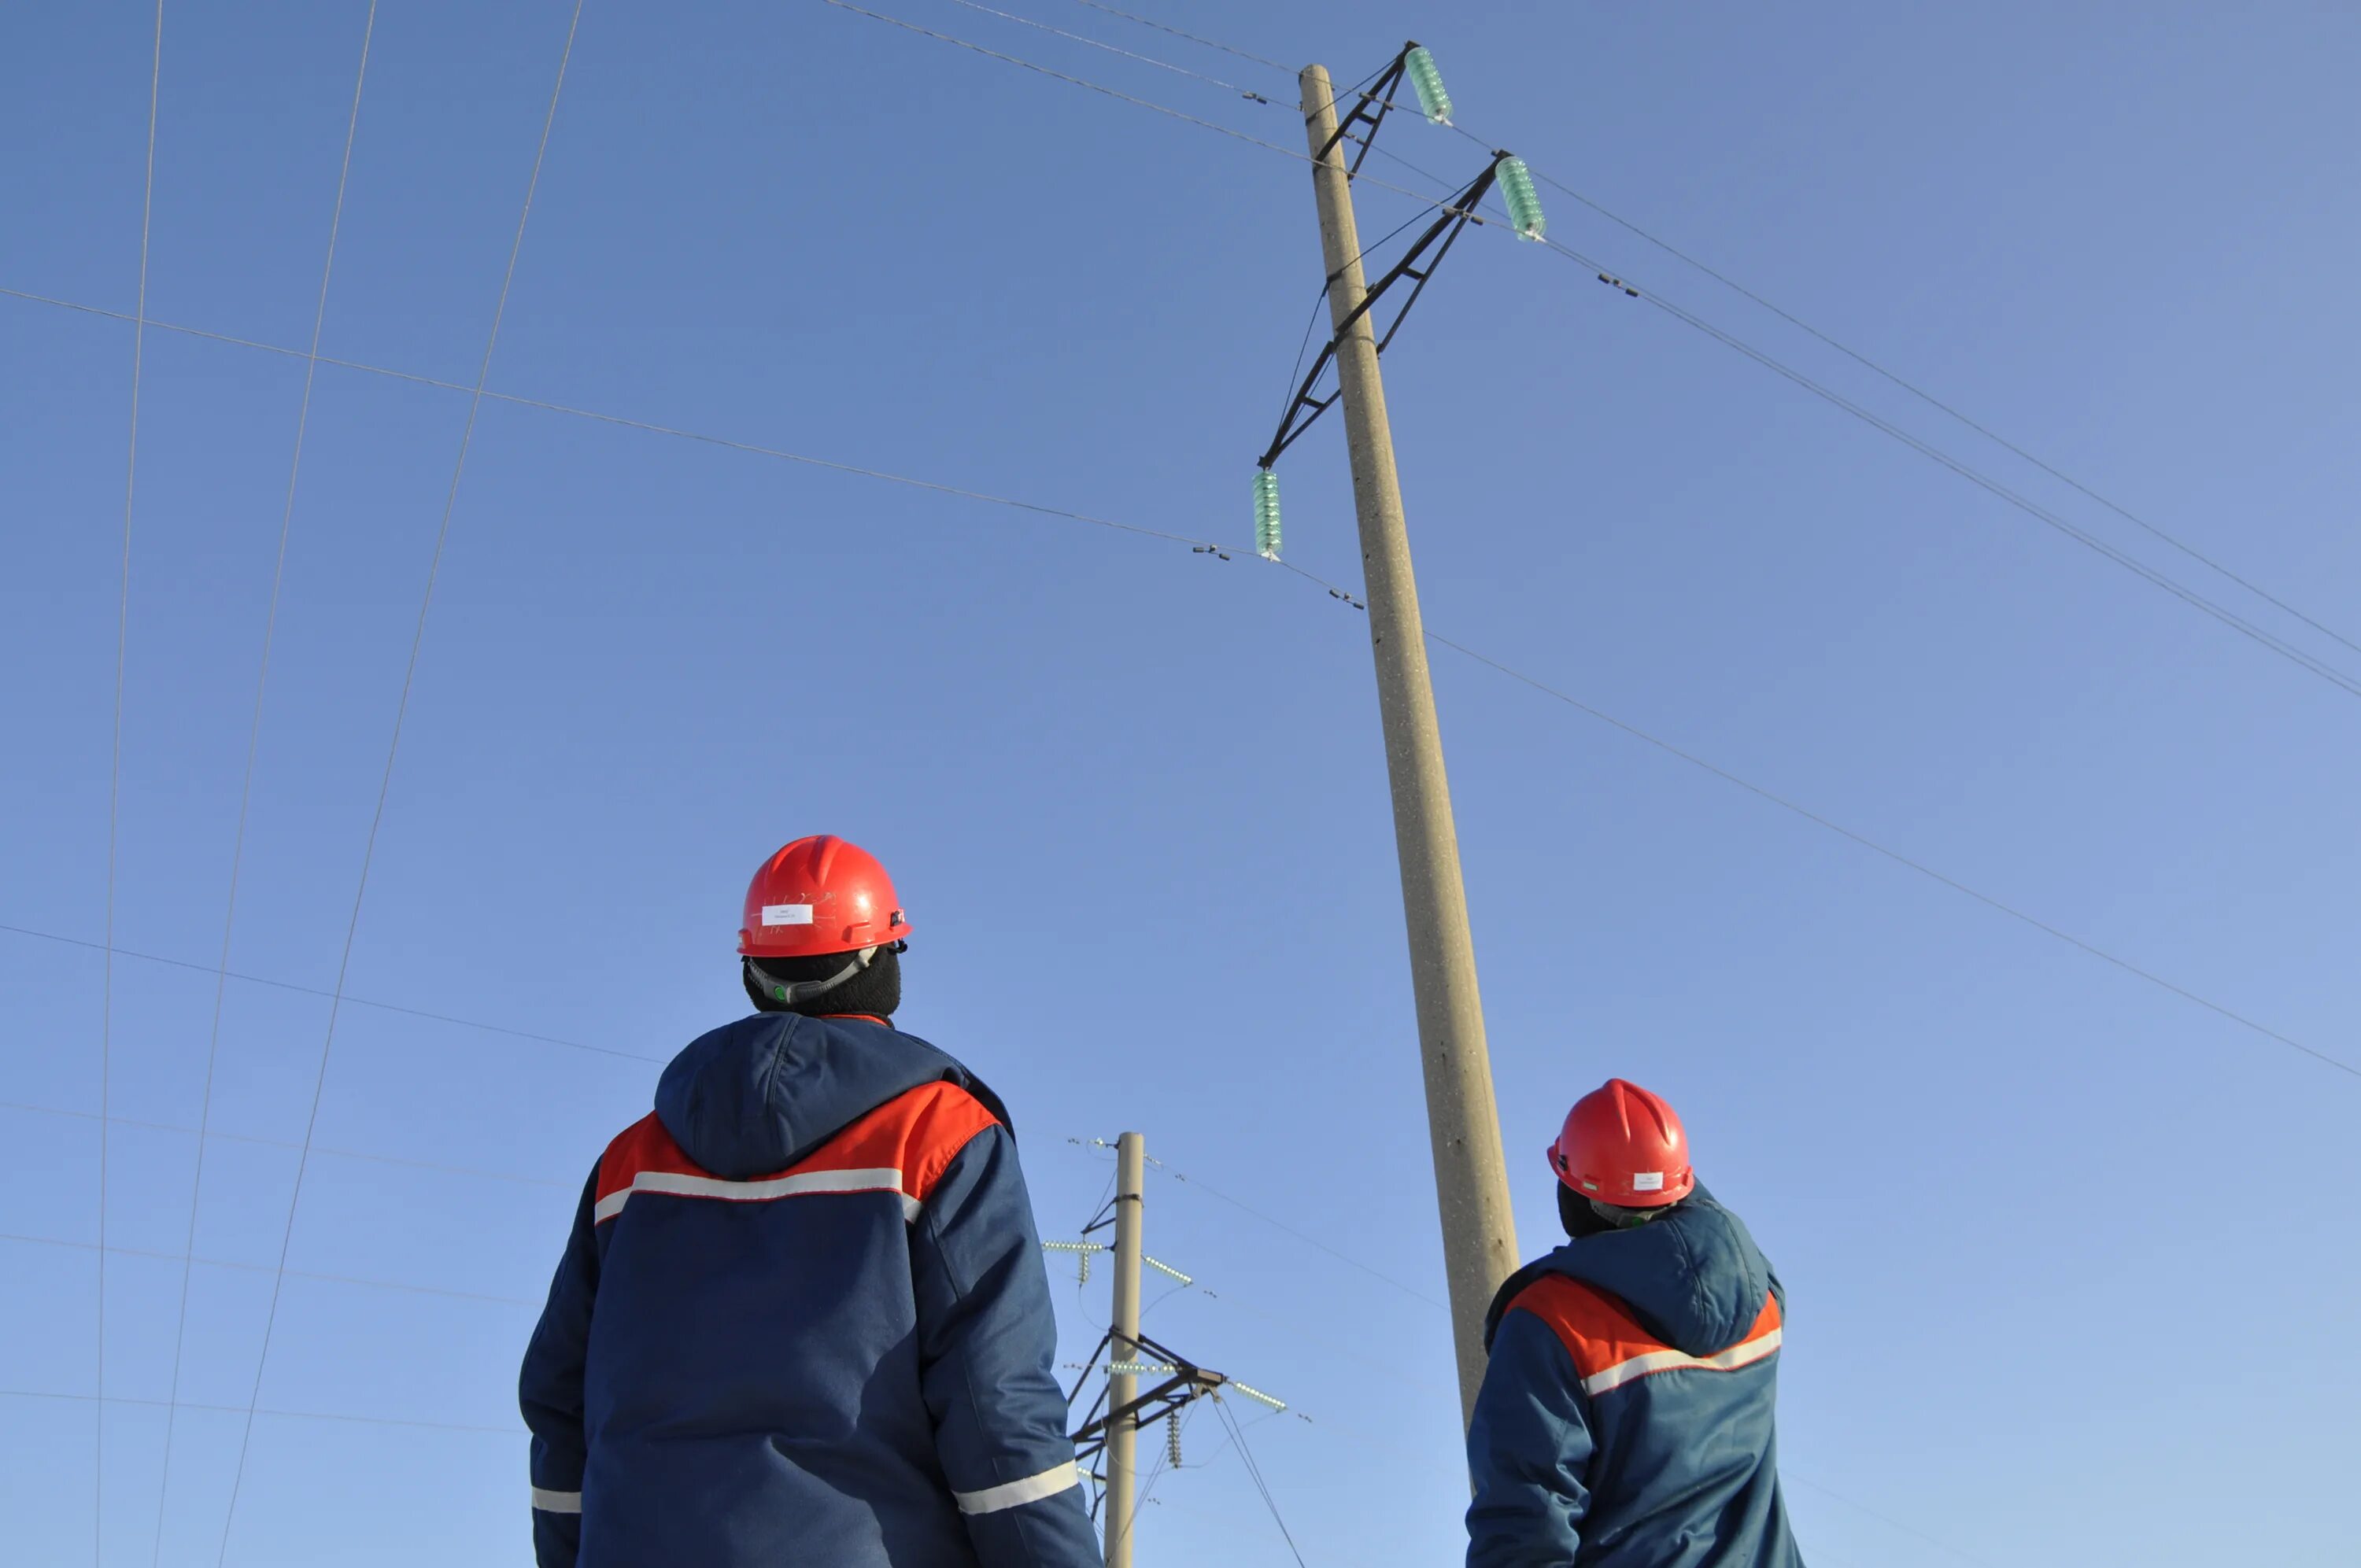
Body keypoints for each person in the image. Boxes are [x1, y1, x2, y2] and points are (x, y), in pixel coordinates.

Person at [519, 836, 1101, 1568]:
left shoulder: (629, 1166)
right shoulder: (939, 1137)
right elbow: (1000, 1413)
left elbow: (558, 1407)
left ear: (752, 971)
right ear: (883, 961)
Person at [1465, 1078, 1804, 1567]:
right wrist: (1658, 1169)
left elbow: (1526, 1525)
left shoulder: (1550, 1323)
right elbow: (1707, 1233)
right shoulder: (1760, 1301)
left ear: (1580, 1199)